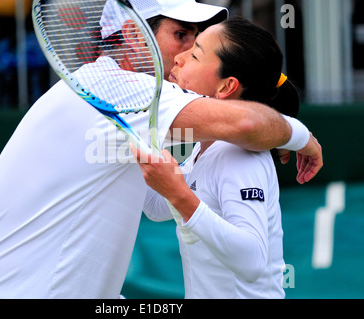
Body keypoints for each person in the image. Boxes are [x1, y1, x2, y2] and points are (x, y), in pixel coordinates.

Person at [0, 1, 321, 299]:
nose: (186, 52)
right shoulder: (125, 92)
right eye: (182, 35)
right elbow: (248, 125)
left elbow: (158, 205)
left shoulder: (120, 102)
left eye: (197, 41)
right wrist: (304, 138)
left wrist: (178, 190)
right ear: (136, 37)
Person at [133, 16, 322, 299]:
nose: (180, 58)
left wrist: (182, 198)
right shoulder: (205, 147)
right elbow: (156, 206)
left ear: (225, 87)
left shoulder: (240, 158)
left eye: (195, 54)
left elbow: (253, 260)